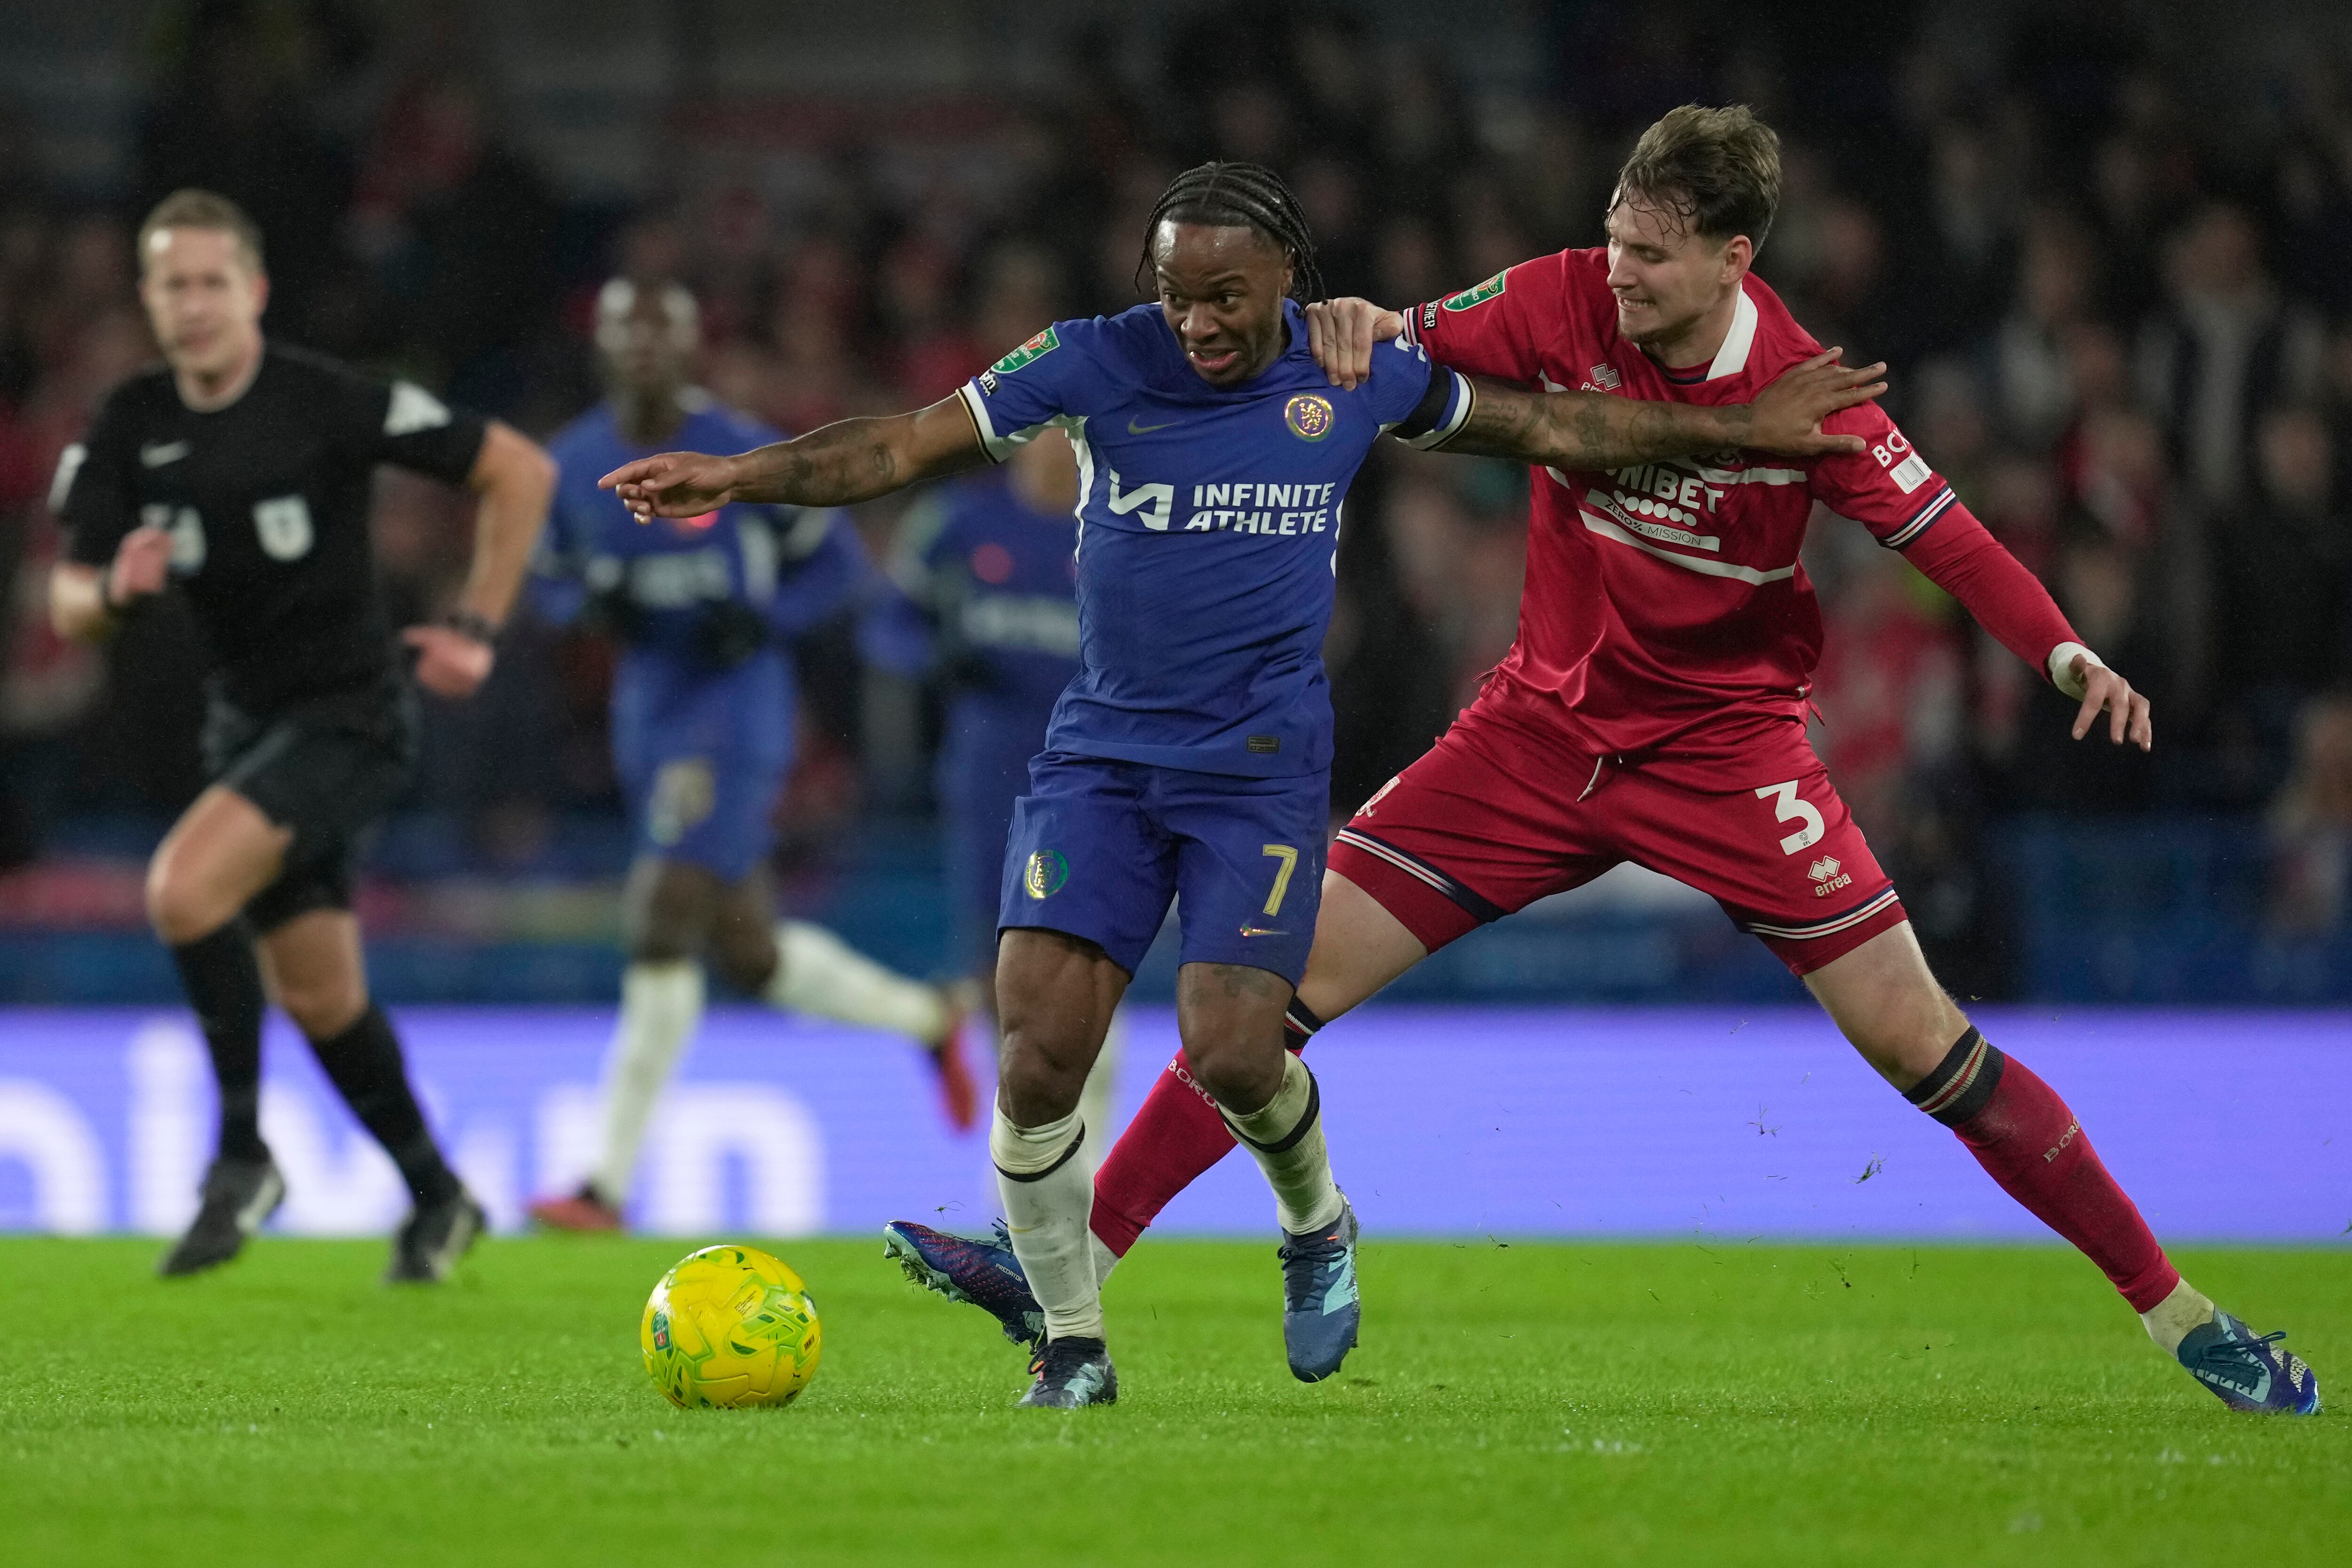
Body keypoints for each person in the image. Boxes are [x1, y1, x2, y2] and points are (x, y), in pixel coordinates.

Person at [886, 108, 2321, 1418]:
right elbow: (1398, 343)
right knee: (1260, 1004)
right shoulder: (1559, 296)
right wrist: (1356, 326)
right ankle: (1066, 1270)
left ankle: (2183, 1314)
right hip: (1534, 736)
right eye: (1617, 238)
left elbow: (1945, 534)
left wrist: (2063, 651)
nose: (1618, 270)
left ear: (1734, 259)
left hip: (1727, 752)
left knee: (1923, 1045)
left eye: (1652, 252)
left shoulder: (1805, 392)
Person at [600, 161, 1883, 1407]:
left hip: (1257, 770)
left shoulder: (1352, 370)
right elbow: (899, 446)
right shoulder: (1091, 359)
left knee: (1233, 1049)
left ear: (1288, 281)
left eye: (1226, 297)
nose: (1199, 323)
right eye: (1177, 295)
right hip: (1102, 756)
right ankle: (1072, 1346)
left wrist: (1738, 432)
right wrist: (740, 477)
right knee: (1037, 1055)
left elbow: (1552, 426)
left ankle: (1315, 1218)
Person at [48, 189, 556, 1282]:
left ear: (255, 291)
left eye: (211, 282)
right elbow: (68, 597)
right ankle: (439, 1196)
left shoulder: (323, 399)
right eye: (173, 284)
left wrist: (477, 625)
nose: (193, 304)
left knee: (183, 889)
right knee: (321, 994)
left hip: (350, 717)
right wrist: (115, 593)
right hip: (245, 725)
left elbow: (520, 467)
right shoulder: (130, 418)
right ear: (149, 298)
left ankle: (242, 1154)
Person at [524, 278, 978, 1236]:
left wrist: (766, 620)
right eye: (628, 329)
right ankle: (928, 1018)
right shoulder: (573, 465)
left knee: (661, 911)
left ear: (691, 347)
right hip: (649, 708)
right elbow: (550, 583)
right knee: (748, 950)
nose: (644, 346)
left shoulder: (736, 450)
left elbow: (838, 569)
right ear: (602, 344)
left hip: (735, 708)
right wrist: (591, 607)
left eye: (662, 331)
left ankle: (603, 1184)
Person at [859, 428, 1123, 1171]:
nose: (1057, 448)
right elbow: (887, 626)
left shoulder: (1123, 528)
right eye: (1047, 432)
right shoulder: (957, 523)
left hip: (1094, 780)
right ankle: (1021, 1164)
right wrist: (938, 656)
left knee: (1091, 957)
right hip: (989, 776)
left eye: (1073, 433)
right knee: (998, 961)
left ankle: (1088, 1158)